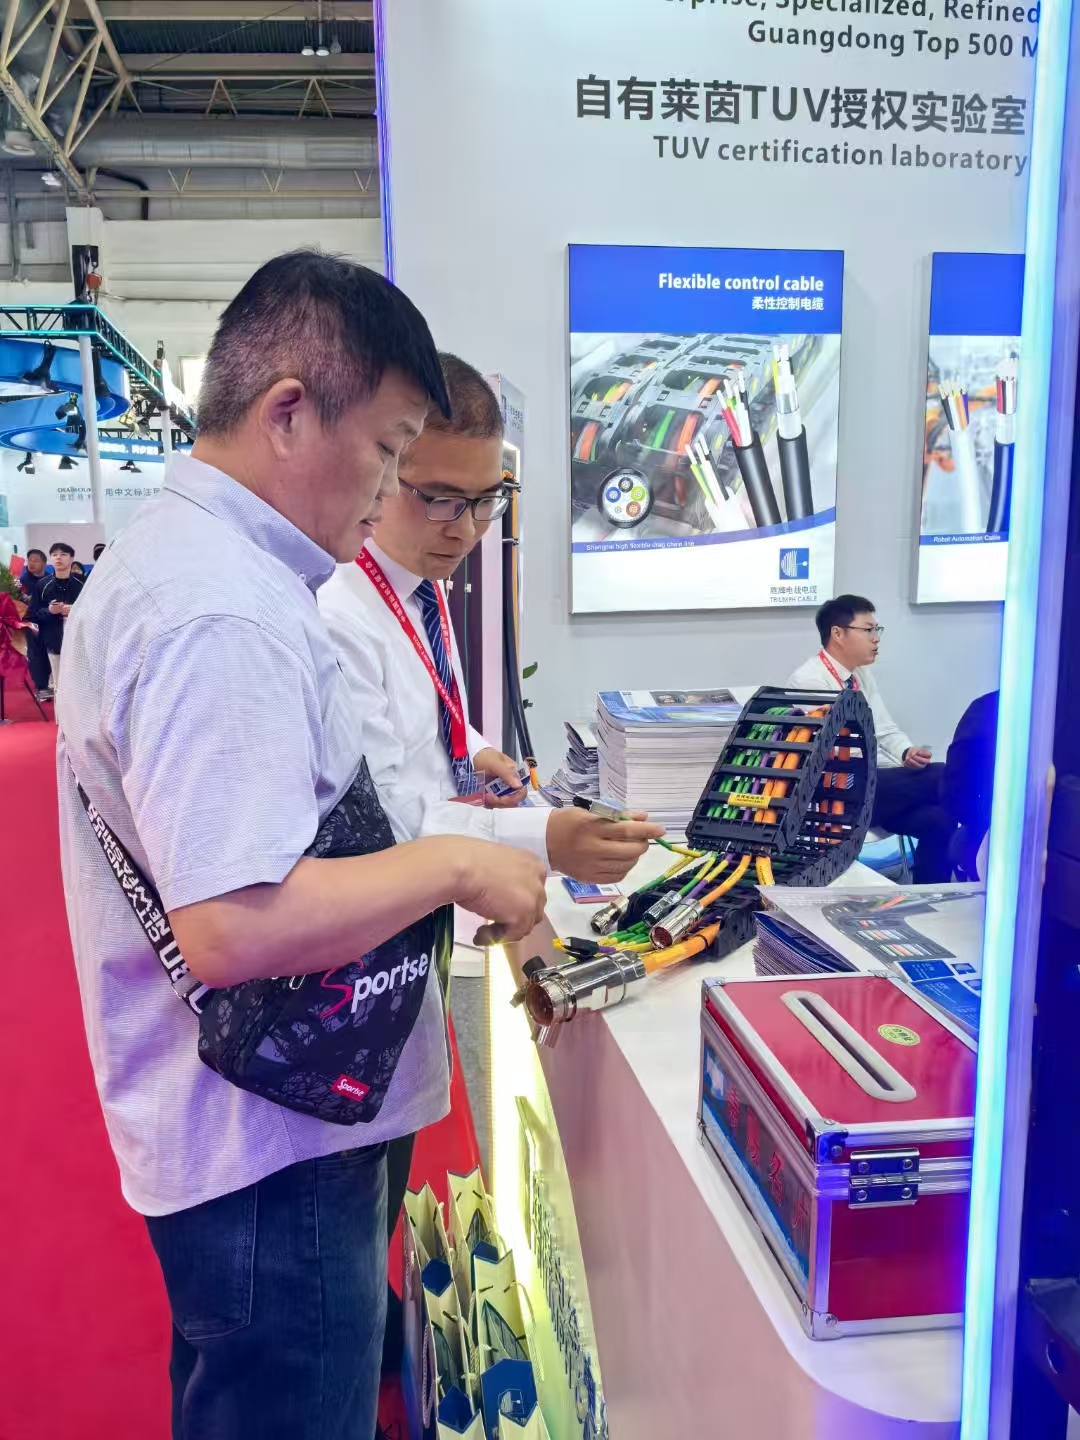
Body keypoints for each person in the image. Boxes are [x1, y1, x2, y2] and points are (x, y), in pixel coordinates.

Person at [55, 249, 550, 1440]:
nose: (386, 493)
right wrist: (457, 864)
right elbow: (231, 926)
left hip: (270, 1119)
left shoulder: (216, 571)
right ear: (288, 413)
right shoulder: (216, 608)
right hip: (270, 1140)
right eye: (386, 451)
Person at [318, 353, 662, 1373]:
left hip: (403, 954)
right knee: (340, 1222)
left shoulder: (416, 595)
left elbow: (422, 738)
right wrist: (545, 839)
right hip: (346, 974)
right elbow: (383, 817)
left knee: (372, 1206)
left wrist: (479, 752)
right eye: (438, 497)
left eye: (485, 501)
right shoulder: (340, 613)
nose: (465, 527)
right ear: (383, 468)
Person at [787, 594, 957, 882]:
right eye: (868, 630)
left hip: (873, 786)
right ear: (837, 633)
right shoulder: (809, 680)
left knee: (940, 819)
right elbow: (838, 752)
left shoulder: (860, 675)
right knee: (943, 776)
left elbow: (884, 728)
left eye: (877, 630)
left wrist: (906, 752)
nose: (876, 638)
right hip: (837, 790)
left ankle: (927, 896)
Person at [942, 690, 999, 880]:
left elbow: (954, 796)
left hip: (995, 840)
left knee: (957, 839)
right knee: (933, 821)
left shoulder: (986, 710)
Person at [36, 542, 83, 695]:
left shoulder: (83, 582)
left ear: (71, 558)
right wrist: (49, 610)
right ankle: (60, 711)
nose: (58, 558)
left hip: (79, 639)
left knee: (80, 682)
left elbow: (95, 606)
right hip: (54, 639)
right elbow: (33, 613)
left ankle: (80, 710)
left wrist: (75, 610)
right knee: (58, 684)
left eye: (63, 554)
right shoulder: (42, 584)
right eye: (55, 555)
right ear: (50, 558)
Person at [17, 547, 53, 698]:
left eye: (36, 560)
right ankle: (41, 687)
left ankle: (51, 683)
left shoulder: (51, 579)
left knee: (51, 653)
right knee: (36, 654)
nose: (31, 563)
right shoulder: (22, 582)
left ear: (44, 563)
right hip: (32, 622)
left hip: (50, 621)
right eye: (29, 560)